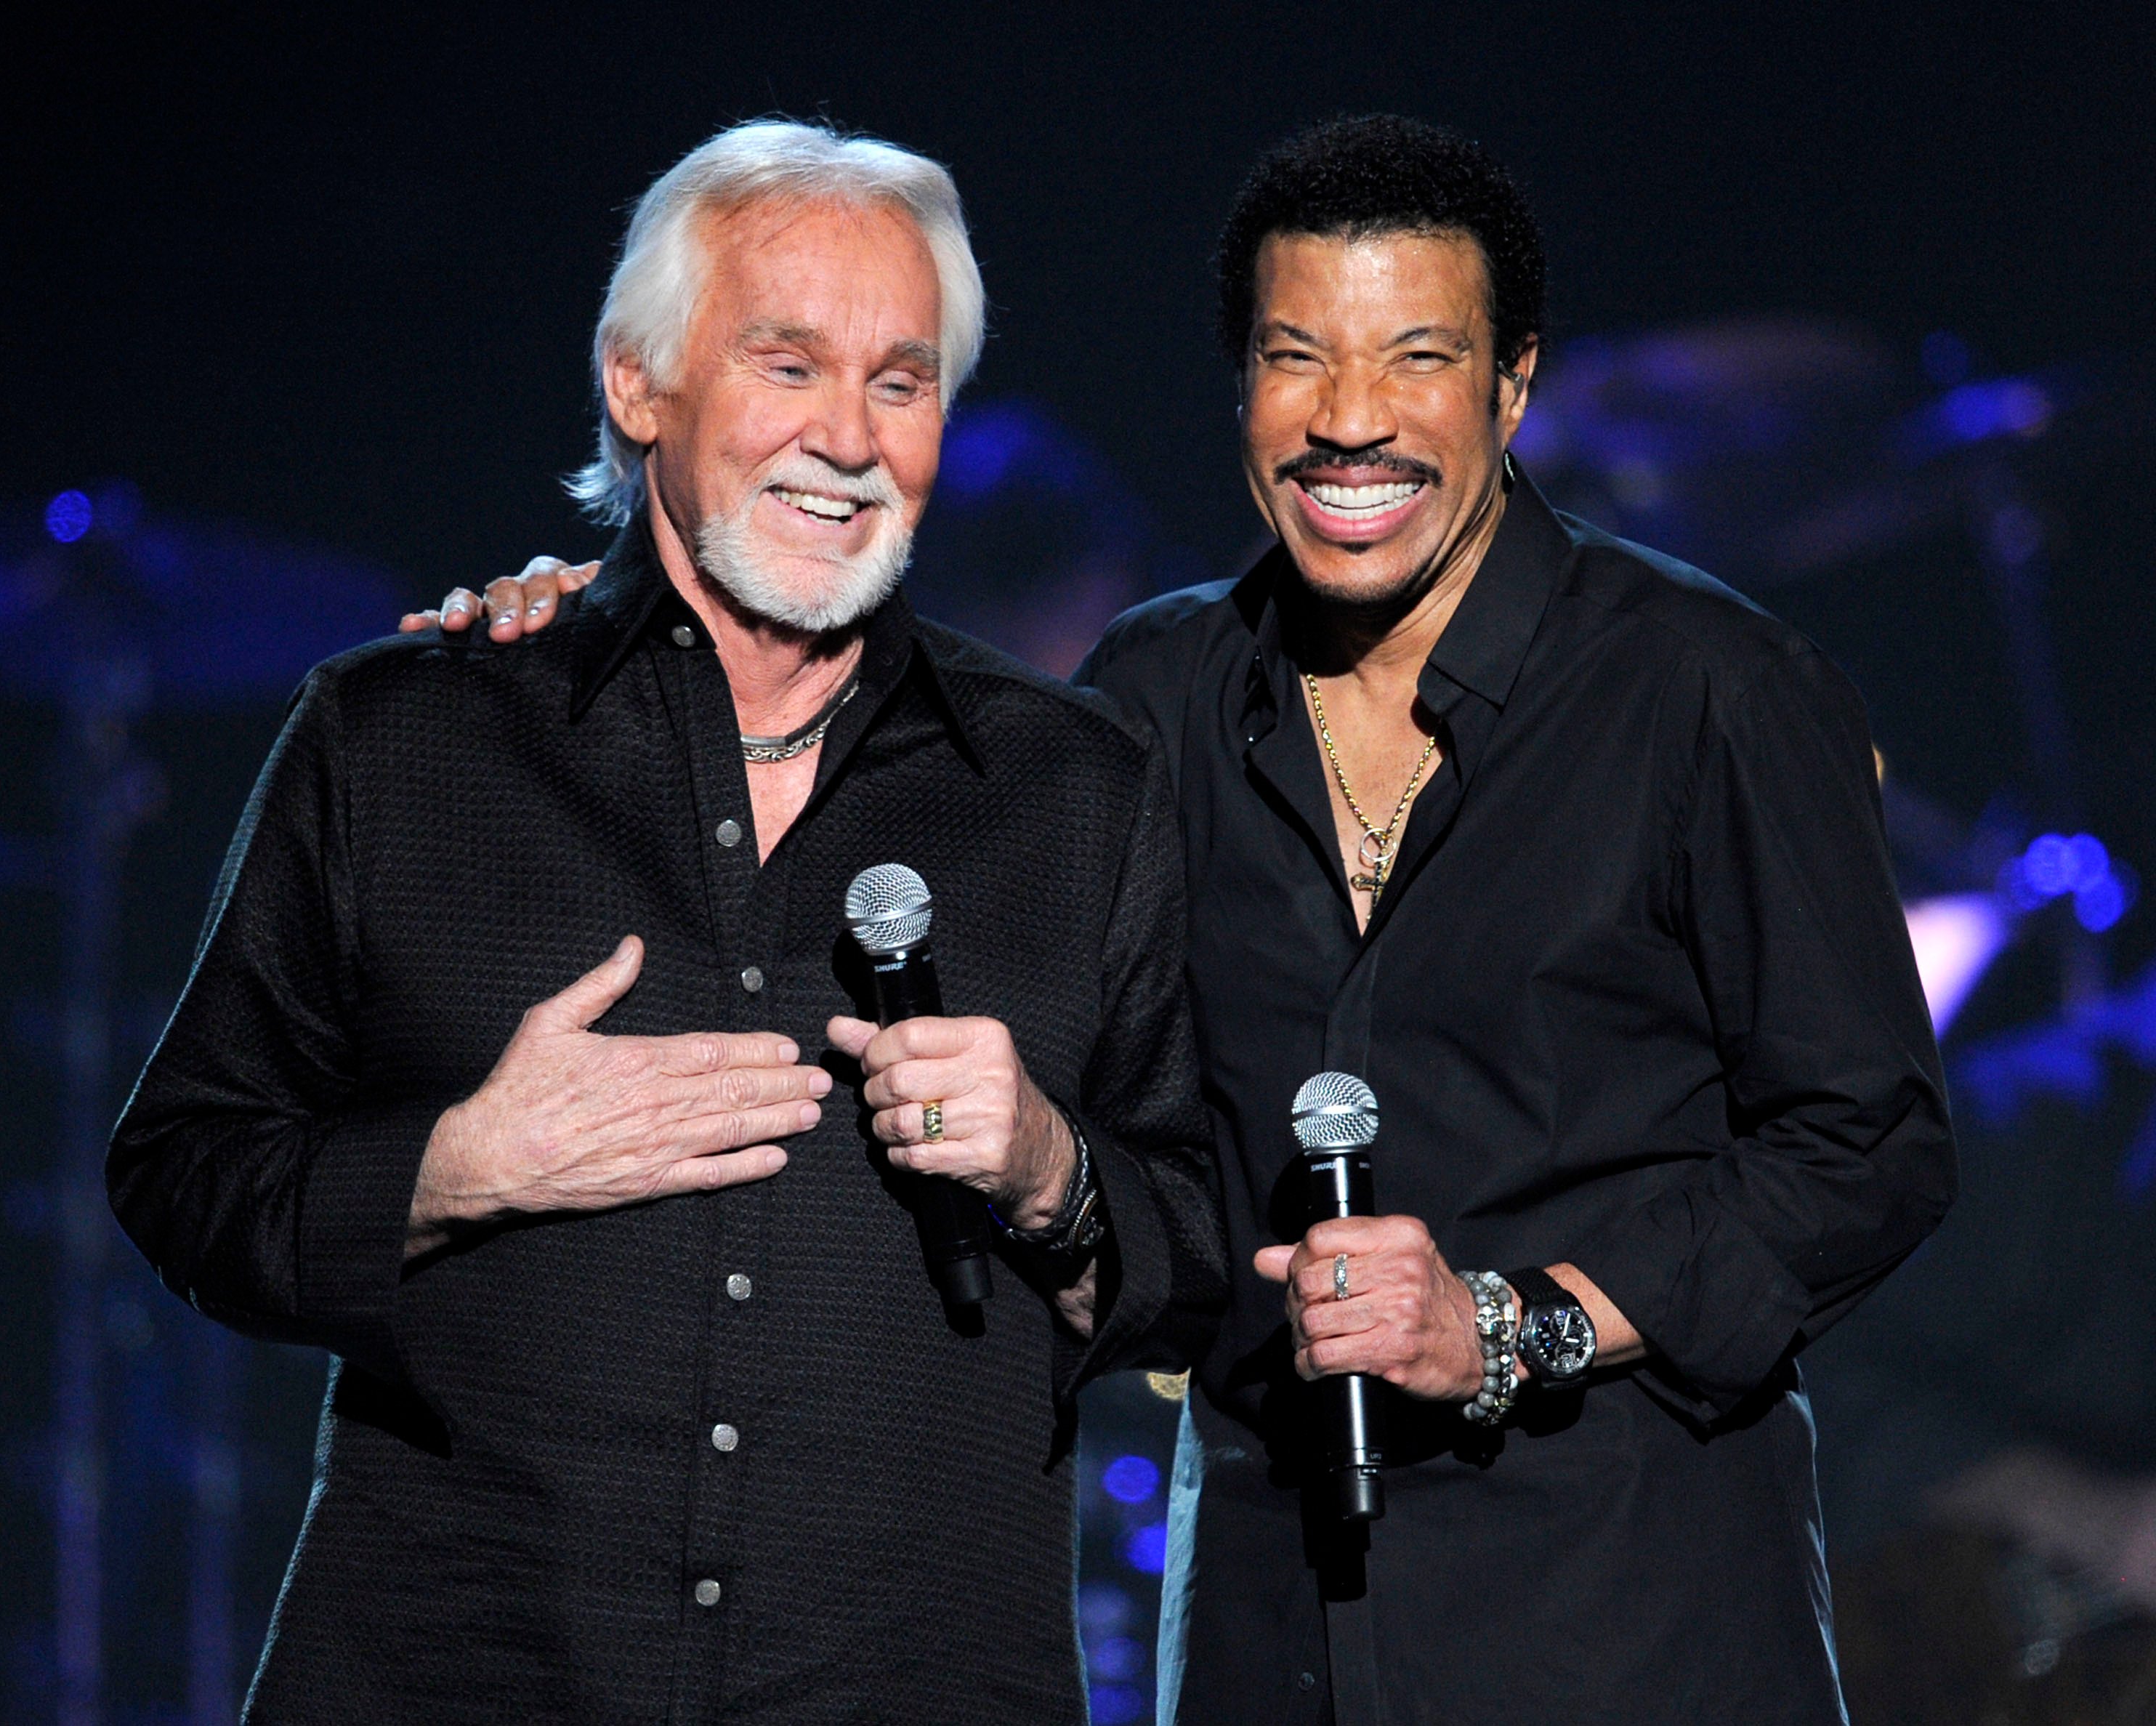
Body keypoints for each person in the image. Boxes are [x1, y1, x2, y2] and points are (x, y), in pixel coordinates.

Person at [443, 116, 1956, 1724]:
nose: (1350, 422)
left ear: (1514, 389)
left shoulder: (1711, 690)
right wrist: (629, 632)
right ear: (1239, 388)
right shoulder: (1152, 699)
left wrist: (1516, 1325)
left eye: (1417, 360)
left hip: (1626, 1622)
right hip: (1260, 1626)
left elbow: (1867, 1146)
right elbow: (852, 875)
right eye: (1297, 358)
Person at [110, 120, 1224, 1726]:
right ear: (641, 387)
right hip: (461, 1680)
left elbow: (1201, 1263)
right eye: (788, 366)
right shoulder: (403, 738)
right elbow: (181, 1175)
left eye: (900, 383)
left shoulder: (1077, 788)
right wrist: (454, 1170)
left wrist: (1054, 1175)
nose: (848, 438)